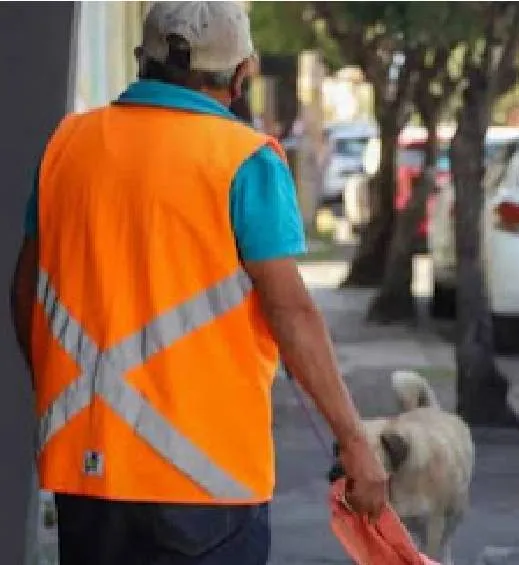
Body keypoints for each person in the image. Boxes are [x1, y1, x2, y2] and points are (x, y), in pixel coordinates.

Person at [8, 2, 387, 564]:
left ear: (142, 59)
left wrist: (64, 393)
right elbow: (291, 312)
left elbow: (26, 293)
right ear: (241, 75)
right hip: (207, 483)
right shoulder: (244, 160)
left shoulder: (67, 146)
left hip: (88, 472)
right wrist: (354, 439)